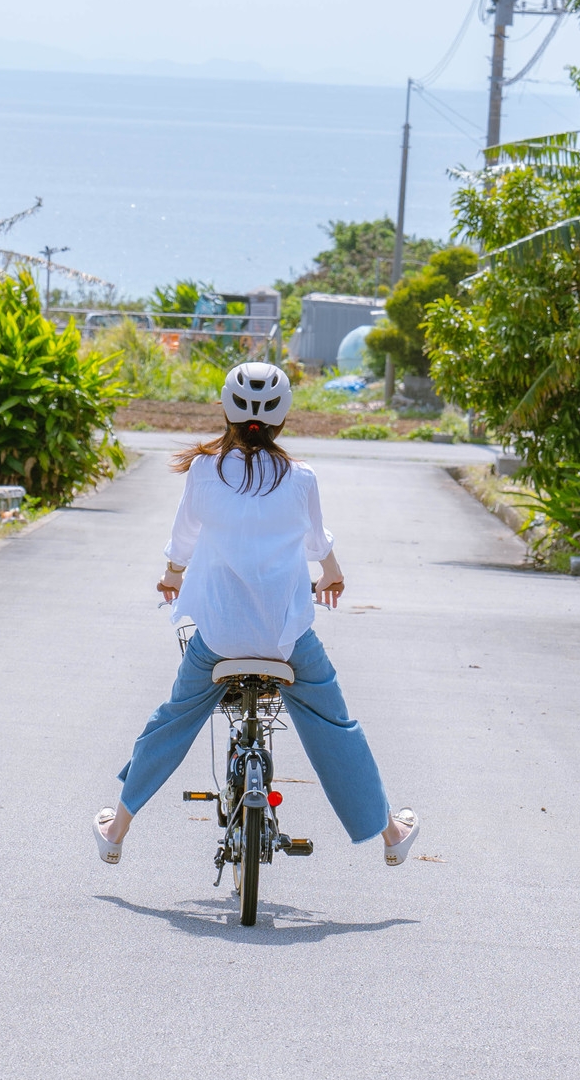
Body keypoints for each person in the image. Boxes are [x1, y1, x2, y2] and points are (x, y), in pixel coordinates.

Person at [94, 360, 420, 868]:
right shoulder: (301, 478)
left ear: (226, 411)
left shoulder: (204, 471)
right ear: (283, 417)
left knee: (172, 722)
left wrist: (173, 576)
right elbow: (317, 544)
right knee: (336, 727)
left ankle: (115, 830)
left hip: (218, 641)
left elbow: (183, 541)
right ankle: (391, 834)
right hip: (285, 641)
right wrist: (332, 574)